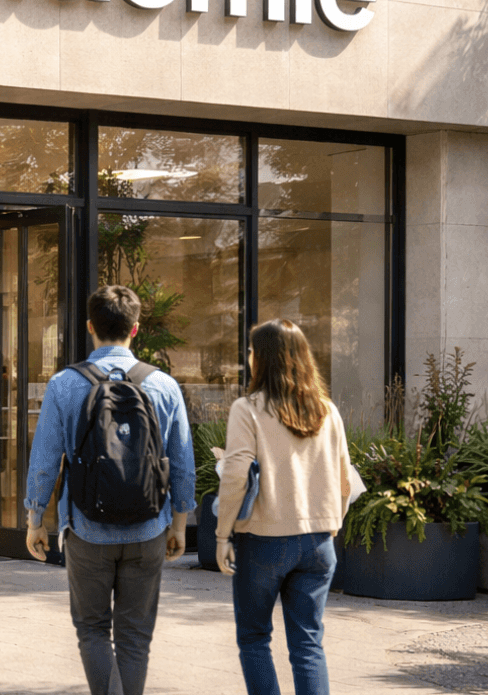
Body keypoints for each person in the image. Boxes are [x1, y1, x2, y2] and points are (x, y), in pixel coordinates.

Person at [24, 284, 196, 695]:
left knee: (93, 630)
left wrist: (35, 520)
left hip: (86, 527)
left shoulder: (64, 384)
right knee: (136, 637)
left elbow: (45, 460)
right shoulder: (164, 385)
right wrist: (179, 524)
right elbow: (183, 462)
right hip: (148, 528)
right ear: (135, 330)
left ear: (90, 328)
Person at [216, 319, 353, 695]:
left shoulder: (248, 409)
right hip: (319, 541)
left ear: (261, 358)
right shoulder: (327, 410)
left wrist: (222, 534)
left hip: (264, 539)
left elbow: (235, 476)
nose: (247, 357)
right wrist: (331, 525)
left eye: (250, 351)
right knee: (308, 644)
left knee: (255, 637)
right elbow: (345, 480)